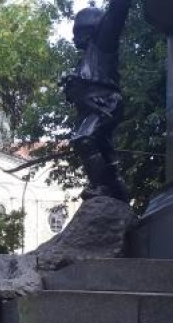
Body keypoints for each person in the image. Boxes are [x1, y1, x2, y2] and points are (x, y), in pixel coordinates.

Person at [61, 0, 132, 202]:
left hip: (106, 103)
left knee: (84, 139)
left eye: (78, 32)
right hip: (92, 108)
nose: (75, 39)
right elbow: (78, 92)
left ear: (89, 30)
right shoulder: (83, 62)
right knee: (104, 149)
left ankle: (101, 186)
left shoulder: (103, 44)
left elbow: (117, 12)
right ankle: (117, 189)